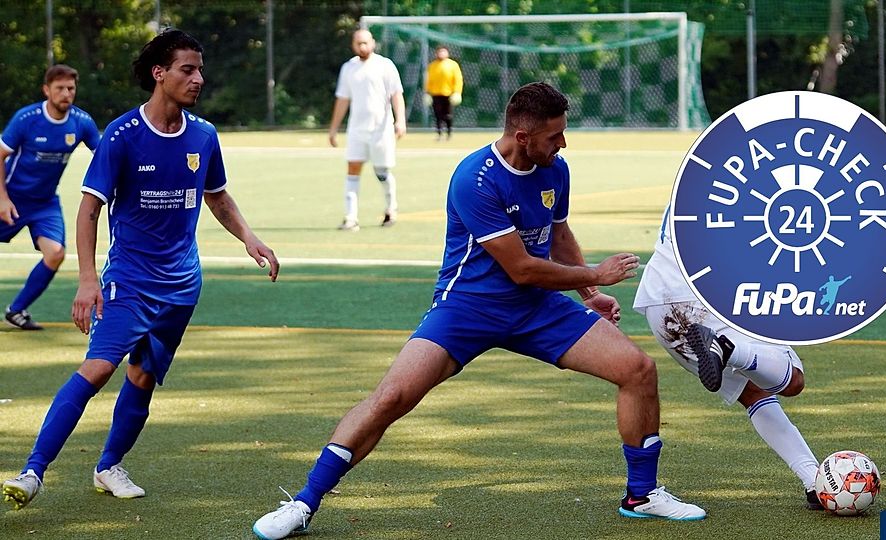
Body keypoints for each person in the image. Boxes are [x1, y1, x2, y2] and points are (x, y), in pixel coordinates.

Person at [252, 82, 705, 540]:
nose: (563, 144)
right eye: (554, 137)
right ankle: (304, 503)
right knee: (391, 398)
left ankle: (642, 495)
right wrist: (598, 273)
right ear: (523, 137)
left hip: (536, 310)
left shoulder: (555, 169)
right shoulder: (476, 177)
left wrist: (589, 293)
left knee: (638, 369)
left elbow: (559, 233)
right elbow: (523, 268)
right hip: (467, 308)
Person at [1, 29, 279, 511]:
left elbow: (216, 195)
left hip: (183, 284)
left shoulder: (204, 135)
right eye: (187, 70)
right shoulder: (122, 135)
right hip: (128, 280)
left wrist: (249, 237)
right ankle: (33, 471)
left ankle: (109, 465)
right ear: (160, 73)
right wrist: (88, 280)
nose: (198, 79)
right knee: (98, 368)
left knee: (144, 376)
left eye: (200, 70)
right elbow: (89, 210)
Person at [633, 205, 822, 509]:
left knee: (753, 391)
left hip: (659, 304)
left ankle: (813, 480)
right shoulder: (753, 180)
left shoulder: (704, 177)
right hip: (706, 293)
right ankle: (730, 348)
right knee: (793, 380)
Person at [0, 64, 100, 330]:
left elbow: (104, 156)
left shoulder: (82, 122)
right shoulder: (27, 118)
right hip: (11, 197)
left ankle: (17, 310)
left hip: (45, 203)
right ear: (47, 90)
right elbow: (0, 155)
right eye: (60, 88)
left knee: (55, 253)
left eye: (71, 88)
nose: (66, 93)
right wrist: (2, 198)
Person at [328, 28, 406, 231]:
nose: (362, 46)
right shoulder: (349, 68)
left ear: (373, 43)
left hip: (381, 130)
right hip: (356, 130)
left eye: (365, 42)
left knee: (382, 172)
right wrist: (334, 129)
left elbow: (396, 94)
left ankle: (391, 210)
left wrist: (400, 121)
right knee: (352, 170)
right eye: (358, 43)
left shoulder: (385, 65)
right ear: (353, 45)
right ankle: (351, 217)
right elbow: (343, 99)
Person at [424, 45, 463, 141]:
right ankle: (439, 134)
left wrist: (457, 92)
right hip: (436, 94)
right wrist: (427, 92)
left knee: (448, 115)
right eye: (440, 52)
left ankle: (449, 133)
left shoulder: (453, 65)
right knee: (437, 115)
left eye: (443, 51)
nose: (442, 54)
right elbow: (428, 80)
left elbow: (458, 79)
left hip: (449, 94)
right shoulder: (432, 66)